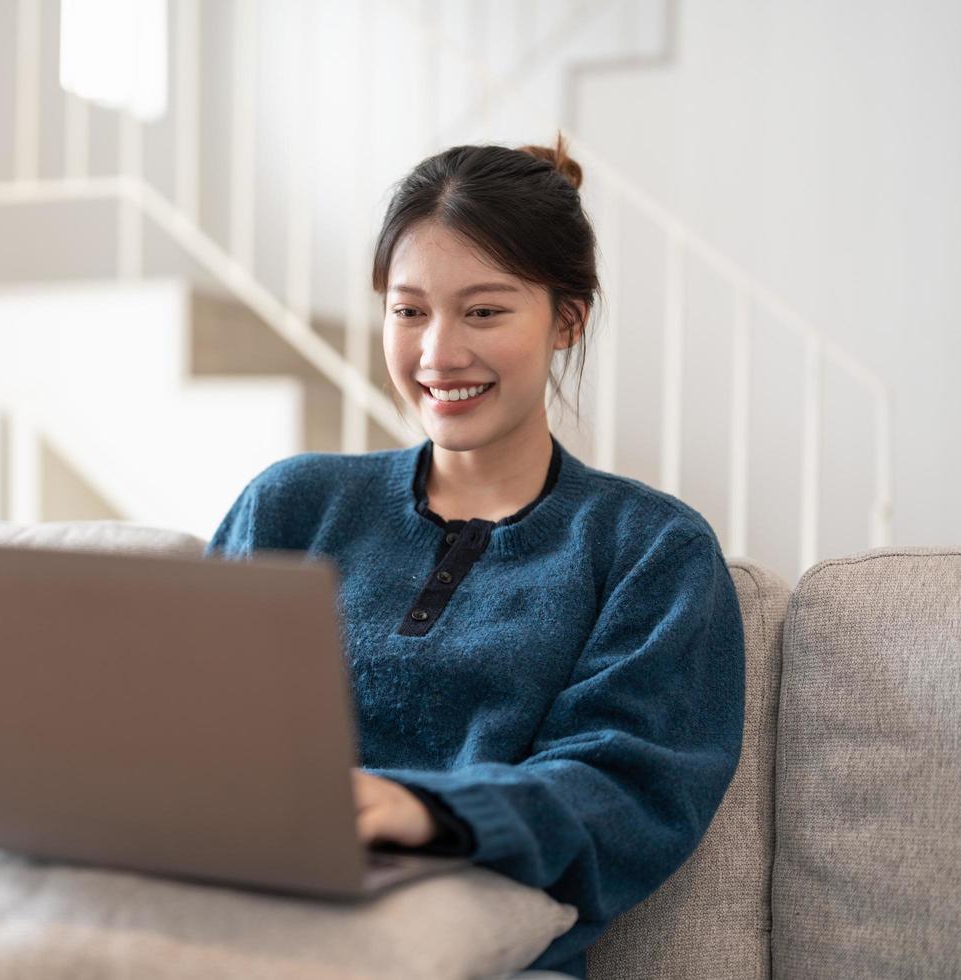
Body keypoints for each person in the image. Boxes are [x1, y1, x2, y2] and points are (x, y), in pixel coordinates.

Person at [202, 135, 745, 980]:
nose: (437, 354)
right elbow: (186, 717)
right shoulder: (292, 505)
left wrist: (420, 808)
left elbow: (628, 792)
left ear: (567, 320)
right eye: (409, 310)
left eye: (484, 312)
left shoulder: (651, 551)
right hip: (238, 916)